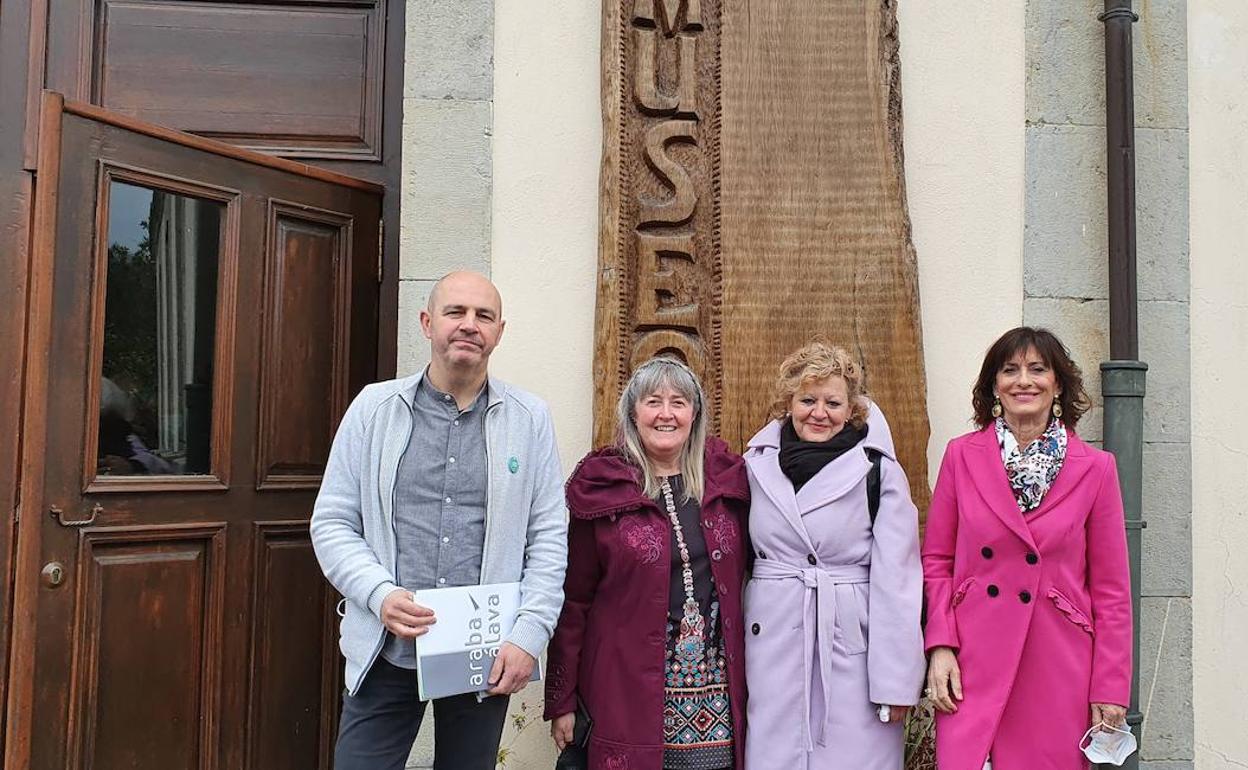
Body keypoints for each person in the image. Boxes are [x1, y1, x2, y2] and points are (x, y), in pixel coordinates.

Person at [310, 271, 568, 770]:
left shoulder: (529, 419)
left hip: (484, 654)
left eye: (484, 316)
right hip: (388, 648)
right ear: (428, 323)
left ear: (499, 331)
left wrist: (528, 635)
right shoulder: (373, 409)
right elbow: (333, 522)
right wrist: (379, 594)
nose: (469, 325)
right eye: (456, 312)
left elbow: (548, 537)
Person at [923, 326, 1132, 769]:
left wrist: (1110, 689)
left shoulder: (1096, 469)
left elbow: (1112, 592)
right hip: (972, 658)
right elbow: (937, 560)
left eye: (1038, 370)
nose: (1024, 381)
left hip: (1056, 663)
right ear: (994, 386)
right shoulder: (961, 456)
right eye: (1010, 370)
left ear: (1057, 384)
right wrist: (940, 645)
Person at [544, 357, 750, 769]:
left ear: (695, 413)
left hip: (717, 701)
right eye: (653, 401)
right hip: (625, 694)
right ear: (633, 413)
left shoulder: (727, 483)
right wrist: (562, 700)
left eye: (679, 402)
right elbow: (573, 603)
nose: (666, 414)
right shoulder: (604, 490)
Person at [742, 341, 924, 770]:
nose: (818, 412)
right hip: (773, 643)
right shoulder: (754, 466)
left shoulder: (878, 471)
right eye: (807, 399)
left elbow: (897, 579)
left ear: (852, 408)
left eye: (832, 402)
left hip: (851, 647)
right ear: (788, 403)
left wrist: (896, 684)